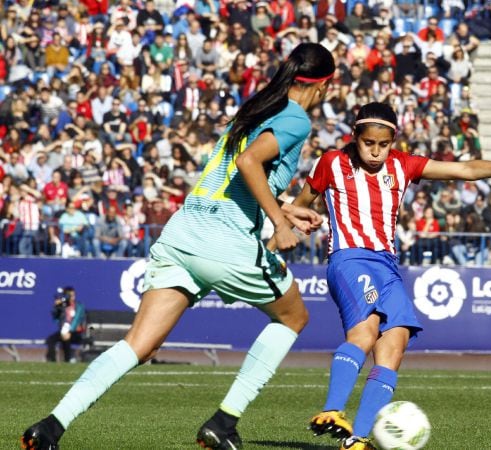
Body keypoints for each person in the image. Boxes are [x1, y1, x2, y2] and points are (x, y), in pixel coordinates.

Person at [21, 43, 336, 450]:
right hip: (223, 239)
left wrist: (288, 210)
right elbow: (248, 164)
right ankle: (223, 423)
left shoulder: (255, 109)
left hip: (183, 232)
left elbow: (236, 178)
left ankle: (49, 427)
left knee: (140, 343)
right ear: (325, 85)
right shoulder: (296, 118)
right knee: (293, 317)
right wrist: (279, 221)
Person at [280, 102, 491, 450]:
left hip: (387, 266)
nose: (376, 151)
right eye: (368, 143)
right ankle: (332, 410)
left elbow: (466, 169)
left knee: (395, 346)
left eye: (383, 144)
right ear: (355, 137)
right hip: (349, 259)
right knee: (365, 332)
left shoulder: (402, 164)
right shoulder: (333, 162)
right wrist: (283, 228)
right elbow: (303, 202)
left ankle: (358, 439)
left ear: (393, 140)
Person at [45, 287, 86, 363]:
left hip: (76, 333)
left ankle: (68, 359)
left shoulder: (79, 306)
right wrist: (56, 306)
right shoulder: (63, 306)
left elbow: (77, 320)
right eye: (69, 295)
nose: (72, 297)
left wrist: (70, 331)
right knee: (51, 339)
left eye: (73, 295)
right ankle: (52, 360)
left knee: (66, 338)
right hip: (64, 331)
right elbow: (55, 317)